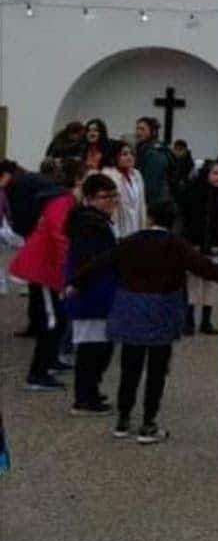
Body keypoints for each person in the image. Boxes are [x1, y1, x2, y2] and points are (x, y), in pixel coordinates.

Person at [74, 199, 218, 443]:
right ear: (174, 221)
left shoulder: (130, 242)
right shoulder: (176, 245)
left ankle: (123, 418)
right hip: (163, 307)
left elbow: (100, 264)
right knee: (157, 368)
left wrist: (76, 282)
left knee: (131, 366)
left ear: (149, 217)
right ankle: (149, 421)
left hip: (130, 306)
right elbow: (206, 268)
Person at [10, 159, 82, 391]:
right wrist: (66, 272)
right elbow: (60, 238)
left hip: (47, 267)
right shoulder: (63, 203)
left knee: (57, 318)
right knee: (53, 320)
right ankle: (38, 373)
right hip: (44, 269)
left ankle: (49, 362)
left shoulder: (64, 201)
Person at [63, 173, 120, 414]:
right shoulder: (89, 225)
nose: (110, 201)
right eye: (104, 197)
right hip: (91, 294)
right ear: (89, 198)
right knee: (91, 350)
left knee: (100, 347)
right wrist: (77, 282)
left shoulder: (97, 222)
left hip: (100, 293)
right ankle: (84, 397)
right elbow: (88, 261)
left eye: (113, 196)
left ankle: (91, 392)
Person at [1, 158, 66, 339]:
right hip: (44, 235)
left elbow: (21, 216)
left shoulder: (17, 186)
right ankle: (41, 325)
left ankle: (42, 327)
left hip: (42, 237)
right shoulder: (27, 179)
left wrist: (25, 236)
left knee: (40, 285)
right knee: (39, 284)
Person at [180, 161, 218, 335]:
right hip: (195, 242)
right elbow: (187, 218)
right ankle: (189, 320)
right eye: (214, 173)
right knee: (193, 282)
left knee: (211, 283)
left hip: (216, 244)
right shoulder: (194, 193)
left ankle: (206, 320)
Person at [102, 141, 147, 239]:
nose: (129, 157)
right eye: (124, 154)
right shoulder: (107, 175)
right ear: (114, 157)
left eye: (131, 153)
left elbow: (141, 204)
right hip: (117, 228)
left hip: (135, 228)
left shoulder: (136, 174)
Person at [134, 117, 173, 205]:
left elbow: (151, 186)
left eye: (142, 129)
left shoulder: (154, 153)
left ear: (153, 132)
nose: (138, 132)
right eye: (137, 128)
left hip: (155, 203)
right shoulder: (144, 149)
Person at [169, 139, 195, 204]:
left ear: (185, 150)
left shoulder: (189, 163)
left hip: (184, 193)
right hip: (172, 191)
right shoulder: (171, 160)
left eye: (180, 150)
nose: (177, 152)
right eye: (176, 149)